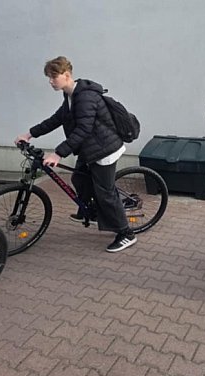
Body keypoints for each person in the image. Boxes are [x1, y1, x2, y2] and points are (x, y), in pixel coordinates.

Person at [15, 56, 136, 253]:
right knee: (79, 179)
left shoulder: (85, 97)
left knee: (105, 193)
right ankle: (91, 210)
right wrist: (29, 134)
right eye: (49, 77)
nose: (51, 81)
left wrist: (58, 154)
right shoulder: (70, 95)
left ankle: (126, 233)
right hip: (90, 148)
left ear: (67, 75)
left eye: (54, 76)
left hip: (104, 149)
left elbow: (83, 130)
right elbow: (57, 119)